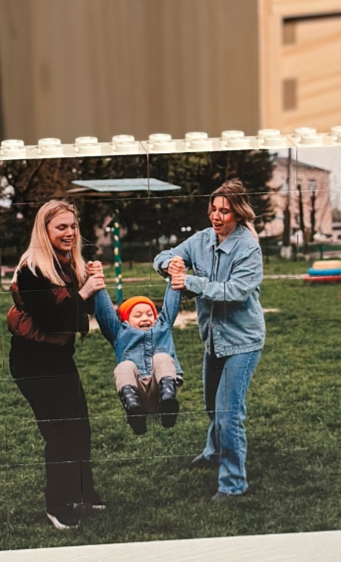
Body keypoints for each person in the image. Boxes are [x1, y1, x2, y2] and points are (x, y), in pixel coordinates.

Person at [153, 179, 266, 504]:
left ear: (238, 214)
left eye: (224, 211)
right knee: (211, 406)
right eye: (213, 209)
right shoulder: (201, 240)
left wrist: (191, 282)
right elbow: (164, 256)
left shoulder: (248, 248)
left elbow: (235, 291)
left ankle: (233, 485)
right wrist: (170, 264)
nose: (216, 216)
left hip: (243, 341)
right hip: (214, 339)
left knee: (229, 413)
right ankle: (214, 451)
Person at [7, 199, 107, 529]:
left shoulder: (65, 263)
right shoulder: (33, 268)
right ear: (44, 230)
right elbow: (51, 321)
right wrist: (85, 292)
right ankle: (58, 505)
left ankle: (84, 494)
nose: (69, 232)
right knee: (61, 432)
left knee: (80, 427)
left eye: (73, 226)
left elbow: (80, 314)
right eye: (61, 227)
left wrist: (92, 283)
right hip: (33, 362)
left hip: (59, 359)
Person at [91, 278, 185, 436]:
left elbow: (171, 303)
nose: (145, 318)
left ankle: (168, 405)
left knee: (161, 358)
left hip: (160, 389)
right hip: (137, 392)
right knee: (124, 367)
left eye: (150, 314)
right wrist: (98, 283)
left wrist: (174, 276)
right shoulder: (119, 333)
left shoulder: (163, 327)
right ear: (126, 320)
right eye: (138, 315)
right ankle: (134, 412)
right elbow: (105, 313)